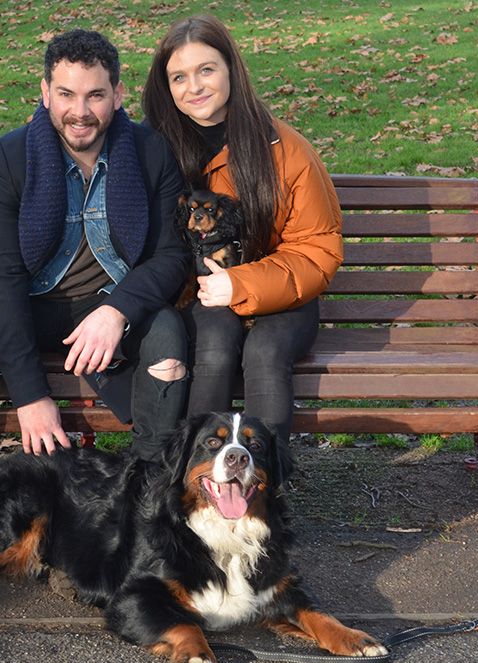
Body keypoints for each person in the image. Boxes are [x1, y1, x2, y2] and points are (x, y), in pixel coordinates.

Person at [0, 30, 190, 576]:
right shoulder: (8, 157)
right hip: (20, 302)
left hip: (106, 307)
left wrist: (117, 311)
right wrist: (31, 396)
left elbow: (170, 257)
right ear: (45, 92)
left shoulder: (149, 151)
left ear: (118, 95)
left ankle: (145, 502)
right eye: (66, 94)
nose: (80, 111)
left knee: (167, 343)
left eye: (95, 95)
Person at [143, 15, 343, 455]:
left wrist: (241, 283)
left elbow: (316, 248)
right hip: (197, 295)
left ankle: (265, 490)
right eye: (179, 76)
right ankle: (198, 484)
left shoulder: (284, 149)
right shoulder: (156, 149)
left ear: (232, 68)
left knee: (265, 352)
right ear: (166, 86)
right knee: (214, 345)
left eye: (206, 70)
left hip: (283, 297)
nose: (194, 86)